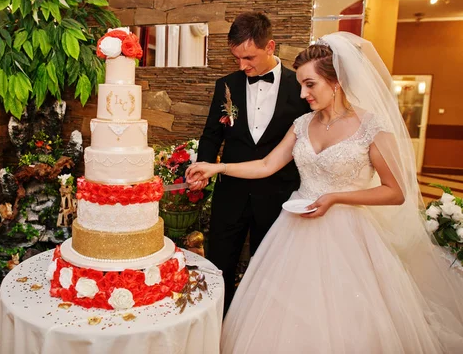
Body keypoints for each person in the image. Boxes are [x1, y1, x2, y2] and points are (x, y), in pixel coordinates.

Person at [187, 32, 463, 353]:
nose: (303, 93)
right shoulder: (302, 124)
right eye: (302, 84)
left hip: (348, 234)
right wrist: (216, 168)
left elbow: (395, 192)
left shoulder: (371, 128)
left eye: (310, 84)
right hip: (295, 232)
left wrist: (336, 197)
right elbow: (265, 165)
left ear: (336, 82)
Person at [191, 12, 310, 313]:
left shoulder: (301, 88)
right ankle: (216, 323)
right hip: (230, 194)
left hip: (278, 195)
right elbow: (210, 135)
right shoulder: (226, 85)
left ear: (270, 46)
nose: (243, 66)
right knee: (219, 266)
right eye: (237, 59)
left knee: (268, 270)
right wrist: (203, 167)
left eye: (249, 57)